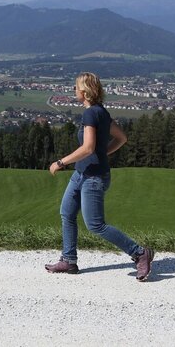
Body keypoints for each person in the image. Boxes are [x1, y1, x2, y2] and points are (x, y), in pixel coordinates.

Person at [45, 72, 154, 281]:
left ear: (84, 92)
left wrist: (60, 163)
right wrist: (102, 152)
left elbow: (87, 148)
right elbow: (122, 138)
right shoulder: (101, 112)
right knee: (66, 213)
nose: (74, 91)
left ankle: (140, 253)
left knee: (95, 225)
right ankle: (69, 260)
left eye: (76, 88)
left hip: (93, 177)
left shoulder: (90, 114)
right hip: (81, 174)